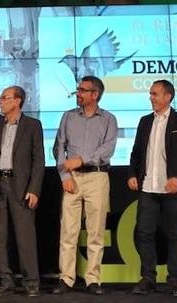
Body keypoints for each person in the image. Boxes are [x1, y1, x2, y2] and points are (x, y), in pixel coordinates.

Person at [127, 80, 177, 297]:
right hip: (148, 187)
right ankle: (148, 278)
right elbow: (136, 153)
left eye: (155, 94)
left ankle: (175, 280)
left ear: (168, 96)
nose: (151, 97)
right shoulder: (144, 122)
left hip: (173, 190)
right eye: (150, 94)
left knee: (175, 234)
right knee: (143, 233)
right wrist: (133, 174)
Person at [52, 75, 117, 296]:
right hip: (72, 178)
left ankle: (92, 279)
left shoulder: (108, 119)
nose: (77, 93)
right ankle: (66, 279)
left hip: (97, 178)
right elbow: (59, 148)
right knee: (68, 231)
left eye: (82, 90)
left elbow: (106, 150)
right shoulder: (68, 117)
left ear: (95, 94)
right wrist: (64, 176)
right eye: (78, 90)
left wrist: (81, 159)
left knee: (95, 231)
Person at [0, 86, 45, 297]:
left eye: (4, 98)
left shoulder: (32, 125)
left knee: (25, 236)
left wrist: (34, 189)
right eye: (0, 98)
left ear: (17, 101)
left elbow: (38, 160)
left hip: (22, 186)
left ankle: (31, 281)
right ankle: (6, 280)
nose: (0, 101)